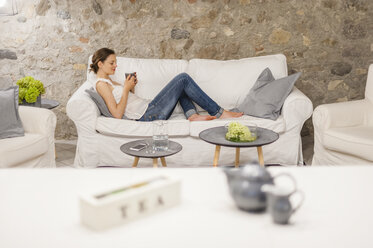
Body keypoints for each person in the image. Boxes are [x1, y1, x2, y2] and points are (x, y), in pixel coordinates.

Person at [89, 48, 243, 121]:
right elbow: (117, 114)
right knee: (183, 78)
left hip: (149, 109)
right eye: (112, 63)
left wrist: (131, 87)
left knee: (181, 86)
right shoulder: (101, 84)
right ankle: (219, 112)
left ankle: (192, 115)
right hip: (148, 115)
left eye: (115, 62)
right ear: (100, 64)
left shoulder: (110, 81)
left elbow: (128, 103)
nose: (115, 65)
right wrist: (125, 89)